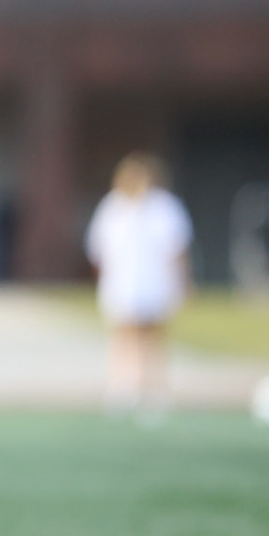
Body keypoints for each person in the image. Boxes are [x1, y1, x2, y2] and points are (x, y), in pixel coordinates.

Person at [85, 151, 192, 423]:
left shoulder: (164, 207)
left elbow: (177, 249)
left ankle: (154, 391)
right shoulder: (113, 207)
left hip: (154, 282)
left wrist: (182, 281)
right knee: (122, 335)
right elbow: (99, 249)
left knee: (152, 337)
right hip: (122, 282)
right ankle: (122, 388)